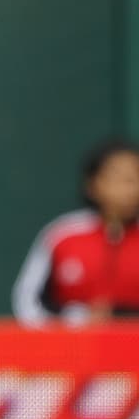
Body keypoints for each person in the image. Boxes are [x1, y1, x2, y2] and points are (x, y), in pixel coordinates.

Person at [12, 138, 139, 326]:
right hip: (70, 349)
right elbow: (27, 301)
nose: (131, 188)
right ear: (93, 184)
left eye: (135, 178)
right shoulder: (62, 234)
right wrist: (75, 320)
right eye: (120, 178)